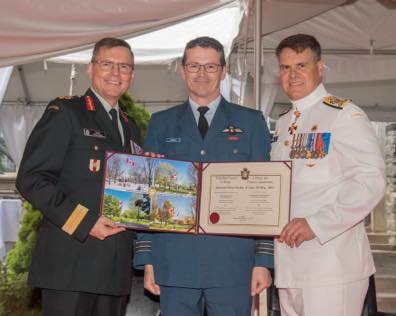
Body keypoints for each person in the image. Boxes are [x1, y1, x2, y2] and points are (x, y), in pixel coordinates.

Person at [134, 36, 273, 316]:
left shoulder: (252, 122)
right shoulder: (160, 123)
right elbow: (146, 193)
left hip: (233, 263)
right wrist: (148, 258)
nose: (201, 74)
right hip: (175, 262)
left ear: (224, 71)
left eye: (210, 67)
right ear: (183, 70)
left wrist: (263, 260)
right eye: (194, 66)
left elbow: (265, 194)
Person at [16, 37, 141, 316]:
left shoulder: (130, 127)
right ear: (91, 68)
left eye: (124, 67)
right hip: (70, 264)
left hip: (114, 269)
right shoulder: (66, 112)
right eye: (107, 64)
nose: (115, 73)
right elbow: (31, 178)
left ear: (132, 75)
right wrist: (85, 222)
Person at [271, 33, 386, 316]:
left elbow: (371, 181)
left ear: (319, 68)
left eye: (301, 65)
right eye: (286, 68)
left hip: (331, 266)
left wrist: (317, 224)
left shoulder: (344, 115)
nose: (292, 75)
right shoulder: (284, 123)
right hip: (289, 266)